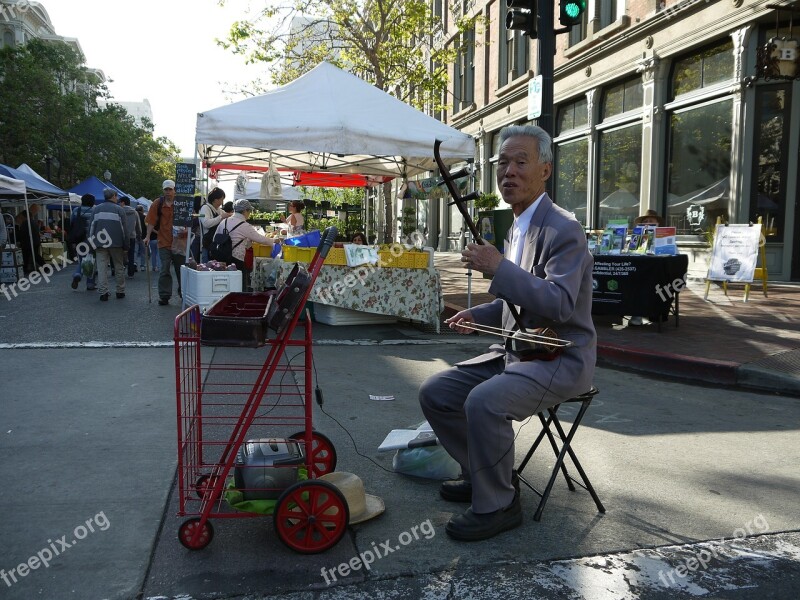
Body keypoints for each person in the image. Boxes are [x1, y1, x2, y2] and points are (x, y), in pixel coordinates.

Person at [418, 125, 596, 542]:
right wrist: (476, 312)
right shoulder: (516, 226)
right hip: (517, 352)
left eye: (521, 162)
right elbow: (516, 303)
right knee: (436, 393)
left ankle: (498, 503)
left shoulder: (564, 229)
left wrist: (498, 267)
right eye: (503, 163)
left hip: (560, 357)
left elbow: (558, 305)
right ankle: (482, 475)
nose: (509, 172)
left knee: (483, 401)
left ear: (546, 170)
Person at [214, 199, 276, 290]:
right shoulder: (244, 225)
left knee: (223, 285)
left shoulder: (224, 221)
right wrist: (274, 241)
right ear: (244, 211)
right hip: (236, 259)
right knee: (238, 286)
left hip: (221, 257)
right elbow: (260, 239)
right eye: (249, 211)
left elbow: (215, 238)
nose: (249, 213)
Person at [144, 180, 184, 306]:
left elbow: (189, 220)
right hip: (164, 241)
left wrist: (187, 231)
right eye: (166, 189)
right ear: (163, 190)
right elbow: (151, 220)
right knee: (164, 270)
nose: (168, 192)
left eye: (170, 189)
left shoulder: (181, 203)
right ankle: (165, 296)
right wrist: (148, 236)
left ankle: (184, 293)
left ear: (174, 190)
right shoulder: (158, 203)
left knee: (181, 270)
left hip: (180, 242)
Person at [91, 189, 129, 301]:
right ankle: (120, 291)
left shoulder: (96, 209)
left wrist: (91, 242)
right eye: (116, 196)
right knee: (118, 266)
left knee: (102, 268)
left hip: (99, 242)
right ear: (113, 196)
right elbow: (124, 230)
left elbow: (92, 227)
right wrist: (126, 244)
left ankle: (103, 292)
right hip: (116, 243)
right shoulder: (119, 210)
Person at [628, 209, 664, 326]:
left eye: (651, 221)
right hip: (638, 271)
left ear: (657, 223)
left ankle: (646, 313)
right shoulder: (637, 236)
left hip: (658, 273)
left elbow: (674, 253)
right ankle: (636, 315)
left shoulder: (665, 236)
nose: (648, 223)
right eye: (646, 221)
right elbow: (630, 252)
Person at [70, 194, 97, 291]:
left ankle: (78, 274)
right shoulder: (95, 210)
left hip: (79, 238)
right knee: (91, 260)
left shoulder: (76, 210)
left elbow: (72, 223)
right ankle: (90, 283)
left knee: (82, 259)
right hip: (92, 239)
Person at [199, 188, 231, 263]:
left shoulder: (219, 210)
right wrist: (221, 217)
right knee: (207, 268)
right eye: (221, 199)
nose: (222, 202)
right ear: (215, 199)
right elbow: (206, 223)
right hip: (207, 245)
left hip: (217, 245)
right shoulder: (205, 208)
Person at [118, 197, 141, 278]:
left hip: (120, 236)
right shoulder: (135, 212)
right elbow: (138, 225)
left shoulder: (119, 211)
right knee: (131, 254)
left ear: (123, 203)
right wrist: (139, 235)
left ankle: (119, 272)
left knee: (119, 254)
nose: (119, 204)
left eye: (119, 202)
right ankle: (130, 273)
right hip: (132, 236)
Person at [135, 205, 147, 271]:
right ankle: (142, 265)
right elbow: (146, 227)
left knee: (135, 251)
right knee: (143, 252)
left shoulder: (134, 216)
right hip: (143, 236)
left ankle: (135, 264)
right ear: (142, 210)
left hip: (135, 236)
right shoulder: (144, 217)